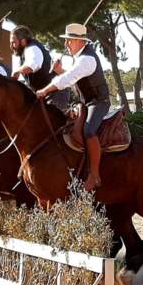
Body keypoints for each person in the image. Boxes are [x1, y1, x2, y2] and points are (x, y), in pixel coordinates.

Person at [34, 23, 110, 191]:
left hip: (98, 102)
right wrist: (60, 71)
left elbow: (69, 78)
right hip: (84, 103)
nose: (66, 44)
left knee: (89, 131)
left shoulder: (87, 59)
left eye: (69, 41)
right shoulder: (80, 59)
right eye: (66, 41)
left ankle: (94, 174)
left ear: (80, 41)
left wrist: (46, 90)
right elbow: (72, 77)